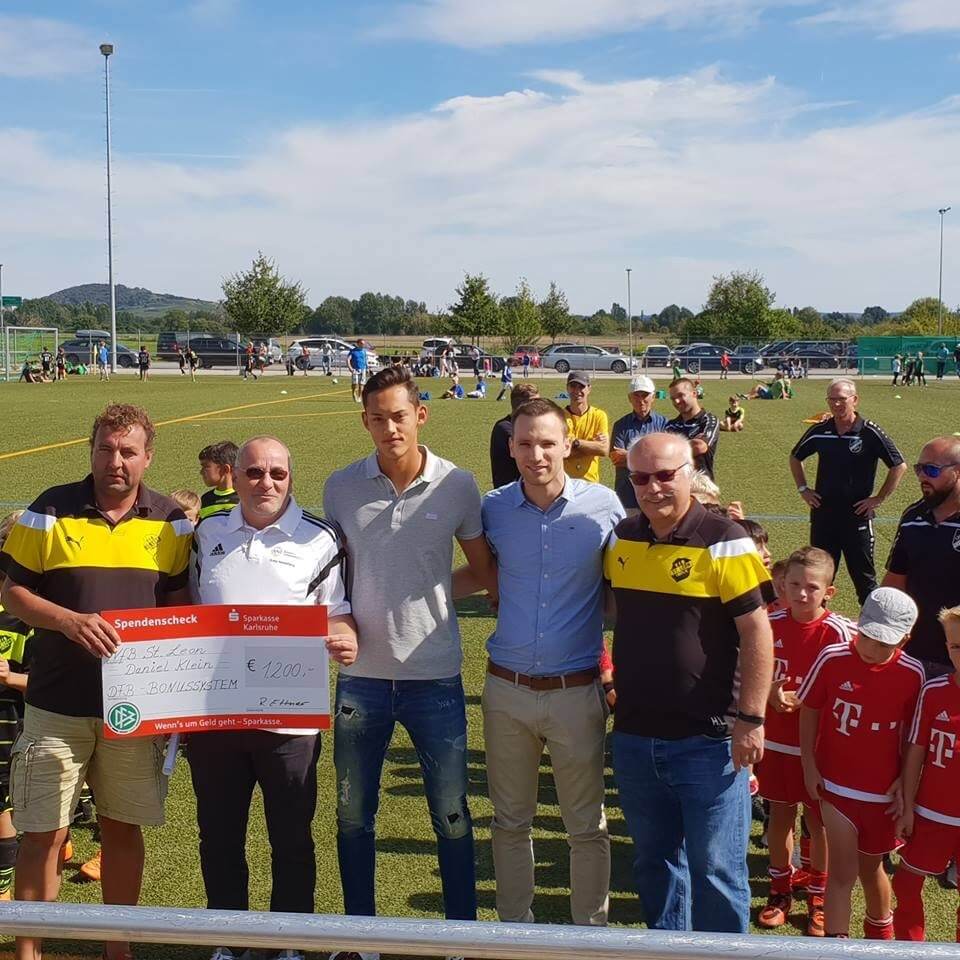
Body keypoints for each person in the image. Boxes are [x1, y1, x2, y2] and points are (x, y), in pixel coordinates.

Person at [0, 403, 192, 960]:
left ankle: (118, 948)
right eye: (105, 449)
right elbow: (12, 594)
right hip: (56, 701)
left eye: (128, 451)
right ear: (91, 450)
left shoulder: (171, 522)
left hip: (134, 707)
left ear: (147, 457)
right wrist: (67, 620)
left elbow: (180, 607)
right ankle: (29, 949)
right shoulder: (48, 510)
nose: (115, 461)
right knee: (43, 834)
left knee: (121, 829)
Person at [323, 367, 497, 944]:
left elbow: (485, 571)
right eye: (377, 418)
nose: (389, 427)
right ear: (364, 420)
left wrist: (436, 587)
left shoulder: (458, 485)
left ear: (421, 415)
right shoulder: (340, 487)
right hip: (361, 681)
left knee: (452, 817)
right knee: (352, 818)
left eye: (399, 415)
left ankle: (460, 938)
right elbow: (331, 580)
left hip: (435, 678)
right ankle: (361, 938)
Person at [191, 437, 358, 960]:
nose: (267, 483)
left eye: (277, 474)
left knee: (290, 839)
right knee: (219, 838)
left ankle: (288, 942)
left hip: (289, 720)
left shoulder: (321, 538)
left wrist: (345, 634)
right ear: (234, 476)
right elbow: (190, 613)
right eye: (255, 472)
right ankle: (229, 942)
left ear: (292, 477)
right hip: (215, 718)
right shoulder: (205, 533)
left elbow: (339, 610)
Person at [604, 432, 774, 932]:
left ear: (689, 473)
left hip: (709, 739)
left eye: (665, 475)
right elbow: (608, 612)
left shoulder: (726, 539)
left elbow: (758, 633)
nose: (653, 487)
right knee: (654, 865)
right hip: (635, 736)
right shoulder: (623, 537)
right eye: (641, 477)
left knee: (716, 871)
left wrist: (752, 718)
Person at [469, 398, 624, 926]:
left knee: (586, 826)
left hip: (575, 690)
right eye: (526, 442)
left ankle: (591, 934)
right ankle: (516, 931)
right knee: (510, 822)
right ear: (511, 447)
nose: (537, 453)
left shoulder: (604, 506)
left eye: (548, 442)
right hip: (506, 690)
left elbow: (623, 584)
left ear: (567, 445)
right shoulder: (492, 508)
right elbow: (478, 576)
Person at [798, 587, 924, 940]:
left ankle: (879, 939)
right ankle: (837, 945)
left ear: (905, 639)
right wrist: (809, 762)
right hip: (835, 787)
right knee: (842, 871)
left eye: (884, 644)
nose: (871, 649)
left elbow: (916, 739)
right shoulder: (832, 657)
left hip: (882, 796)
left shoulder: (914, 675)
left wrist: (905, 783)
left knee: (872, 870)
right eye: (867, 637)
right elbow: (809, 709)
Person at [755, 547, 853, 937]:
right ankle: (780, 890)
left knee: (818, 823)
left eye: (811, 587)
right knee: (780, 817)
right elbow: (745, 675)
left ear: (829, 592)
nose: (800, 594)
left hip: (820, 751)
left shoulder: (841, 634)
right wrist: (768, 696)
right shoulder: (767, 623)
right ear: (782, 584)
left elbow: (853, 688)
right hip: (777, 744)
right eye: (793, 585)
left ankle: (819, 894)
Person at [789, 378, 906, 604]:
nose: (836, 404)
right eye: (831, 399)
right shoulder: (820, 430)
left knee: (864, 580)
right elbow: (795, 456)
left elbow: (898, 465)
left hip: (857, 518)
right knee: (817, 579)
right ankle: (817, 631)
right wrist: (803, 488)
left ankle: (871, 634)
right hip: (824, 516)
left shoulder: (870, 432)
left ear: (855, 400)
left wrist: (878, 498)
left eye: (841, 399)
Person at [893, 604, 960, 941]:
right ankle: (909, 948)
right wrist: (907, 803)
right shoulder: (934, 692)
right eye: (956, 646)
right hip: (932, 812)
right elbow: (916, 750)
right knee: (905, 883)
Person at [883, 435, 960, 669]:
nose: (923, 477)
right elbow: (895, 581)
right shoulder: (912, 518)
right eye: (919, 469)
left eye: (932, 471)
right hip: (913, 652)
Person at [0, 511, 31, 902]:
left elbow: (54, 685)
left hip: (15, 723)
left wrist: (10, 678)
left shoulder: (31, 616)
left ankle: (4, 889)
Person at [609, 375, 668, 516]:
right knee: (630, 536)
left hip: (656, 494)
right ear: (630, 398)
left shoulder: (664, 424)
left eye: (645, 395)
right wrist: (652, 458)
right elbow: (617, 459)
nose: (641, 400)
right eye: (636, 395)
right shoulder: (621, 425)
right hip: (627, 496)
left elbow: (665, 461)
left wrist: (629, 456)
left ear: (653, 397)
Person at [666, 377, 720, 480]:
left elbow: (700, 446)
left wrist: (672, 449)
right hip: (676, 486)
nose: (677, 401)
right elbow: (662, 452)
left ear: (694, 394)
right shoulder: (671, 425)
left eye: (681, 395)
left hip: (701, 488)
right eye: (673, 399)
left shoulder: (708, 420)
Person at [490, 384, 539, 489]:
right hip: (510, 496)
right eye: (536, 402)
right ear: (522, 405)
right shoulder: (505, 428)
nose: (540, 407)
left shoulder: (523, 427)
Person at [563, 372, 609, 484]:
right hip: (565, 482)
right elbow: (561, 453)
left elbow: (603, 450)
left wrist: (576, 443)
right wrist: (592, 446)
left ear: (589, 389)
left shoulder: (599, 415)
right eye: (573, 386)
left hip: (591, 482)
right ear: (567, 388)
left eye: (581, 387)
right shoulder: (559, 416)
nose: (577, 391)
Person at [198, 441, 240, 522]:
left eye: (205, 467)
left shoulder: (244, 498)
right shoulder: (205, 500)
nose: (201, 472)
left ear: (225, 469)